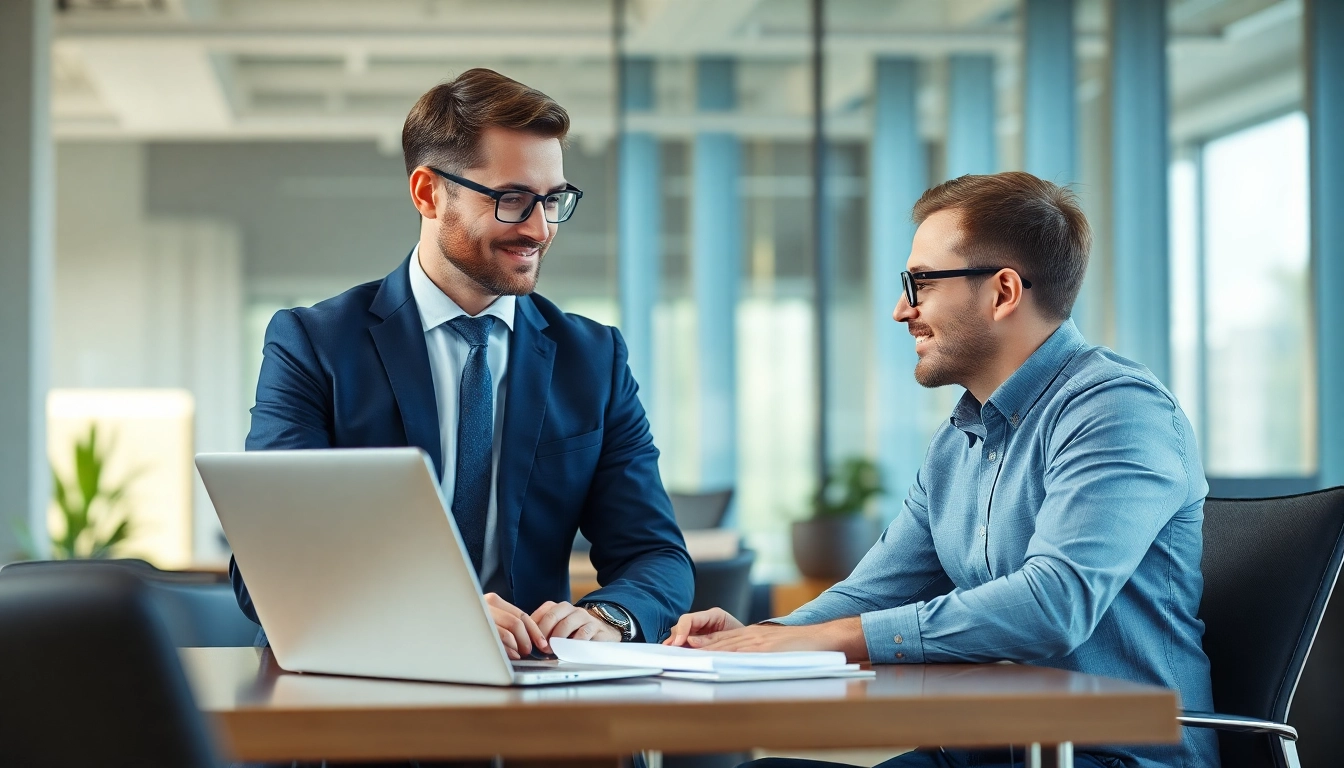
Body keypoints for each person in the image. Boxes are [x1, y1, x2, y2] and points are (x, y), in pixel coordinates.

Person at [667, 172, 1218, 768]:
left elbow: (1054, 603)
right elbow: (878, 590)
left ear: (1003, 292)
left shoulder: (1118, 410)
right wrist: (764, 639)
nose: (901, 309)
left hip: (1112, 757)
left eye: (921, 282)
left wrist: (830, 639)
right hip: (989, 750)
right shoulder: (958, 438)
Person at [231, 68, 693, 657]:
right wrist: (437, 616)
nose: (540, 228)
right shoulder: (314, 344)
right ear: (428, 193)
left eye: (553, 200)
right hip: (359, 679)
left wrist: (608, 617)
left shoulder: (593, 360)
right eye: (512, 199)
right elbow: (267, 564)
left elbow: (655, 554)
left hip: (533, 683)